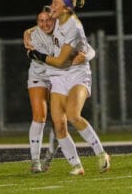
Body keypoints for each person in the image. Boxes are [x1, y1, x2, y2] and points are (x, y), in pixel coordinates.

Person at [29, 0, 110, 175]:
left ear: (66, 8)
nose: (51, 6)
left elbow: (60, 62)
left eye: (56, 3)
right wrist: (28, 32)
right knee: (58, 124)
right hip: (57, 77)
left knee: (73, 115)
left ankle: (101, 154)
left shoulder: (74, 28)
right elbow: (39, 25)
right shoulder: (57, 17)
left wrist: (36, 55)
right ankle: (76, 165)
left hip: (76, 74)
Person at [24, 9, 95, 173]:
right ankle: (35, 161)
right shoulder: (34, 36)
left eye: (48, 20)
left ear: (55, 20)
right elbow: (53, 60)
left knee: (60, 122)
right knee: (39, 116)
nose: (44, 24)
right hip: (41, 76)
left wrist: (85, 56)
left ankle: (49, 157)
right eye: (40, 21)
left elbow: (89, 49)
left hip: (60, 78)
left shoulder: (64, 30)